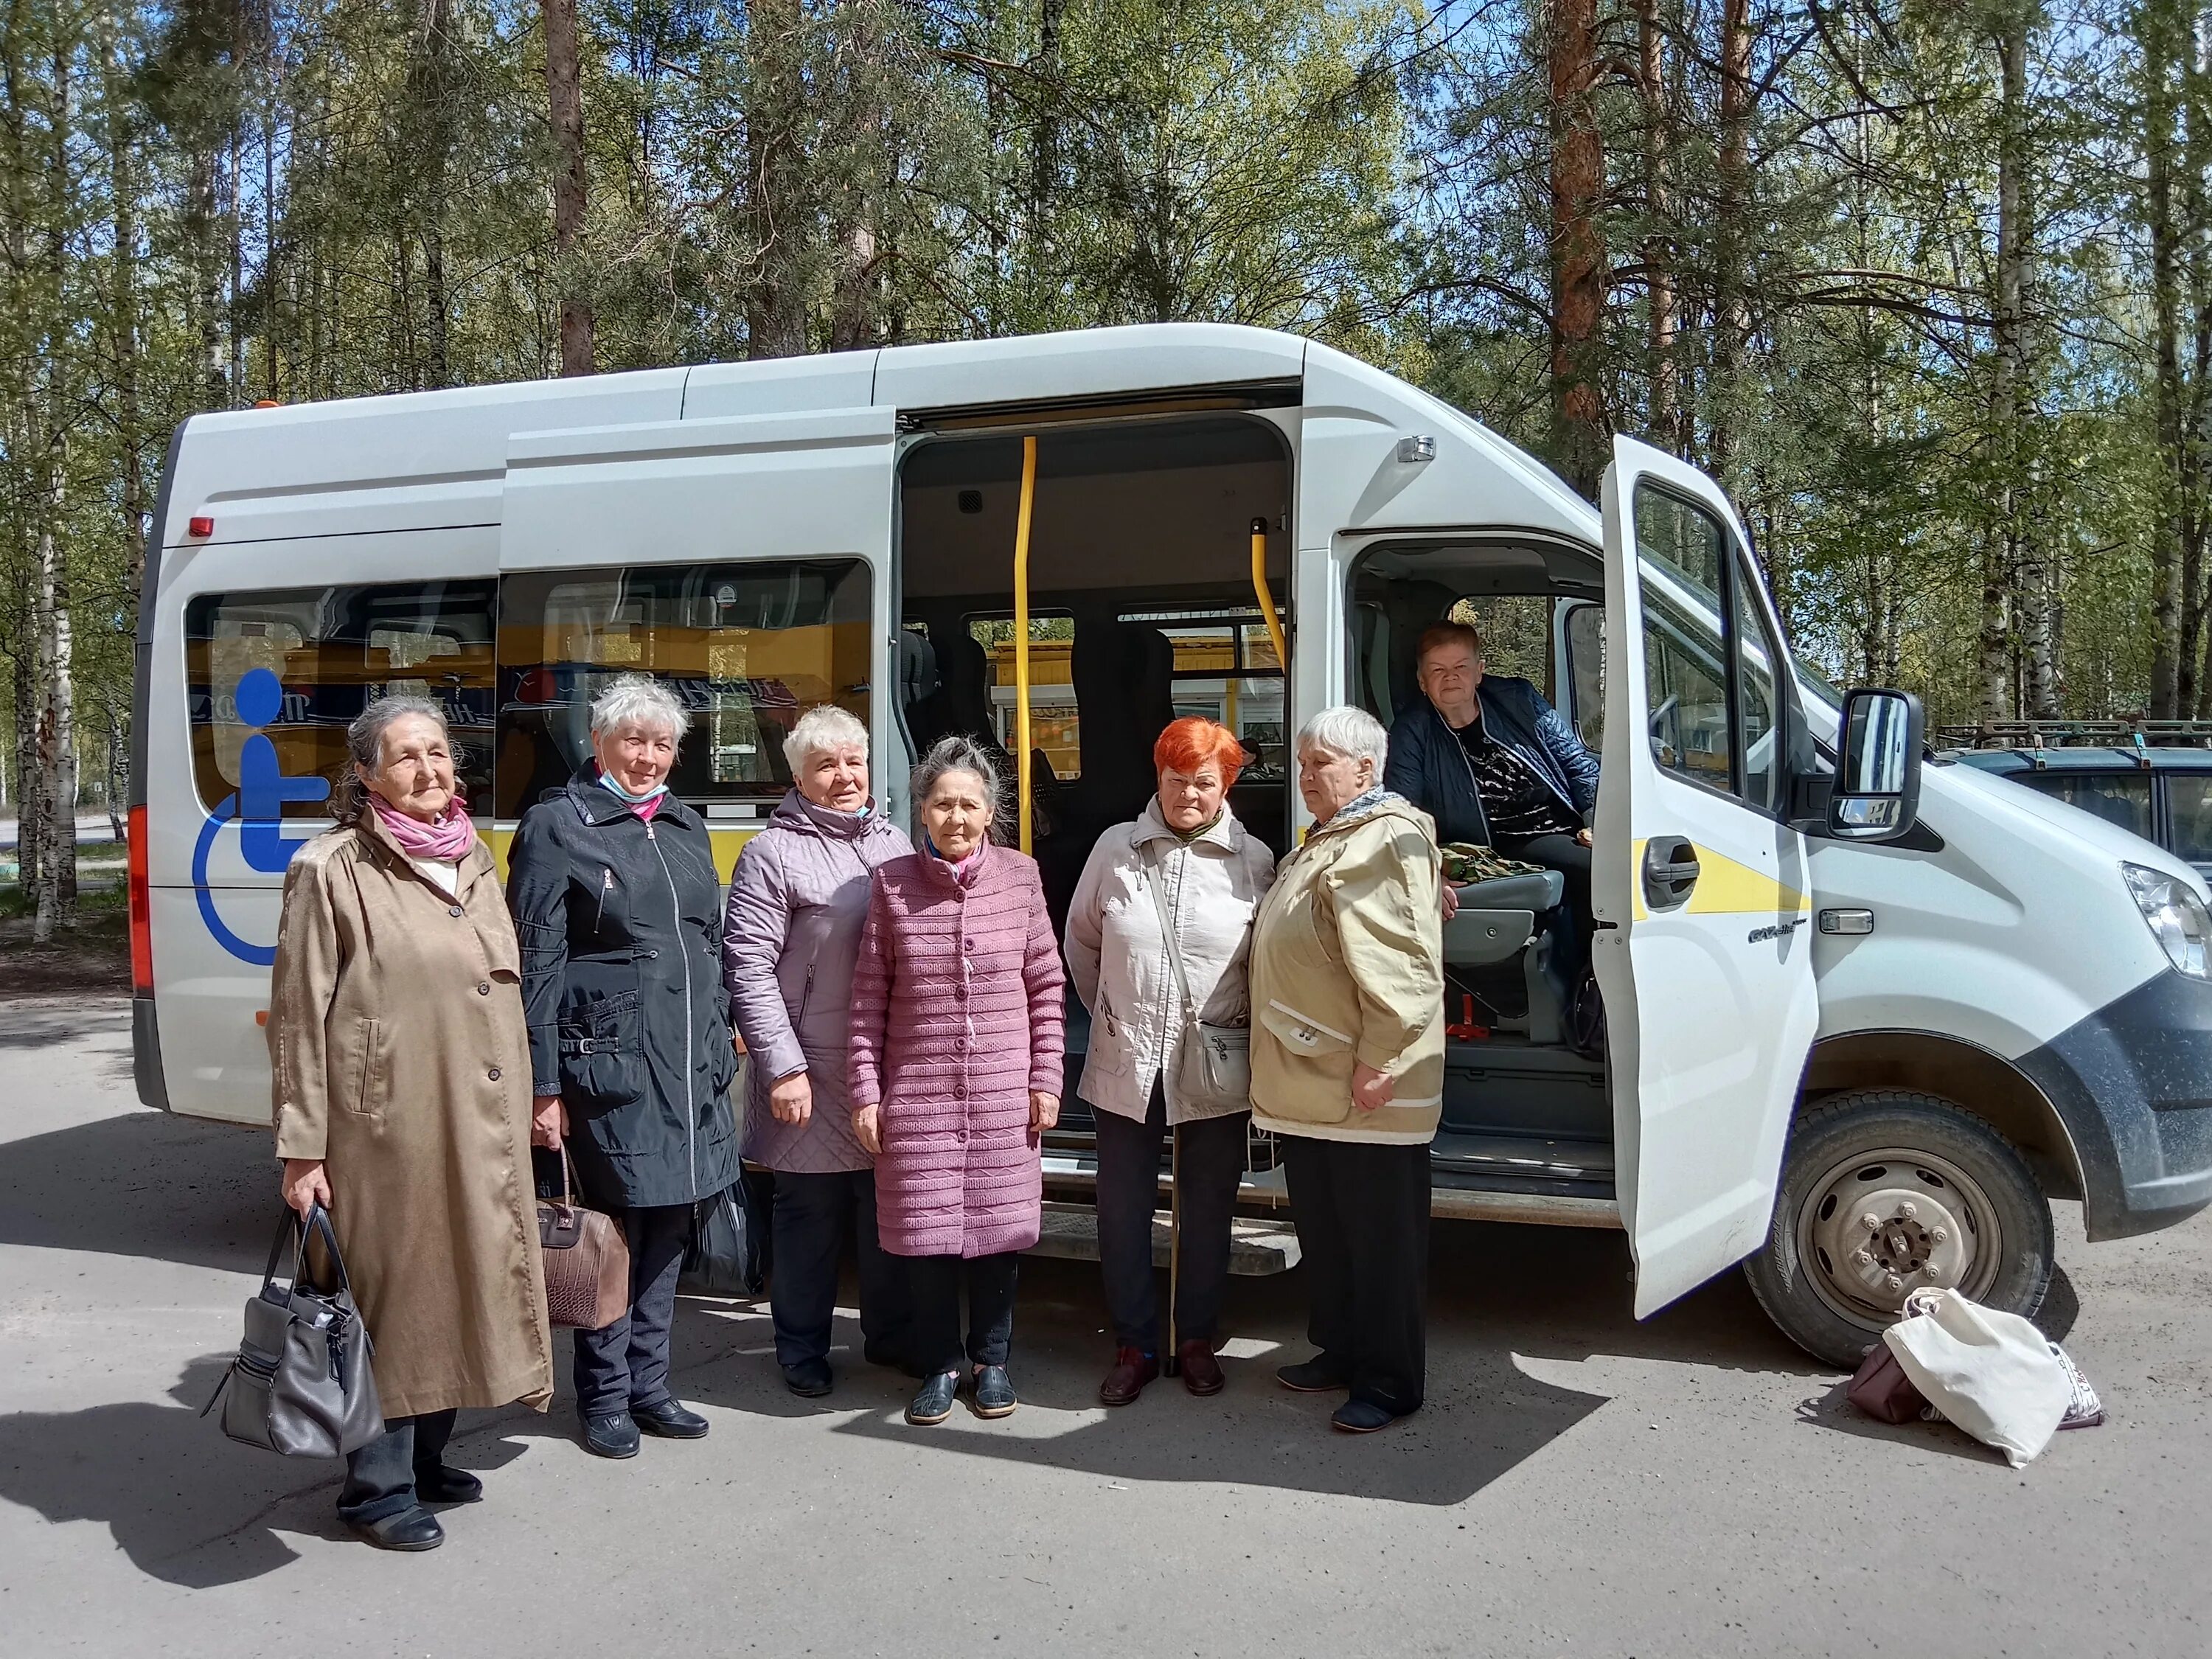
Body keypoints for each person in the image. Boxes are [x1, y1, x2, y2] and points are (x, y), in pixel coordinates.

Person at [268, 695, 552, 1552]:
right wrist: (302, 1147)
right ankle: (377, 1490)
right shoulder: (332, 868)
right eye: (405, 757)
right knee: (391, 1300)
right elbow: (297, 1014)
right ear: (365, 776)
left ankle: (427, 1461)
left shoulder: (473, 857)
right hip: (385, 1127)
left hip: (479, 1116)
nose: (430, 770)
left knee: (463, 1278)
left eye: (438, 752)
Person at [507, 674, 740, 1460]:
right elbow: (534, 964)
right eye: (633, 741)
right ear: (598, 744)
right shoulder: (556, 826)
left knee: (672, 1227)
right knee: (610, 1234)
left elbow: (706, 943)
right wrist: (543, 1087)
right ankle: (603, 1397)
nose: (647, 758)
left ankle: (651, 1385)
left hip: (687, 1063)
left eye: (663, 744)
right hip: (604, 1065)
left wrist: (726, 1030)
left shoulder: (684, 825)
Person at [847, 735, 1065, 1427]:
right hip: (918, 1097)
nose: (957, 818)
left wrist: (1046, 1077)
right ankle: (940, 1364)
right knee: (928, 1240)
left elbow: (1047, 987)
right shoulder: (893, 884)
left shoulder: (1022, 877)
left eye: (969, 804)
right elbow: (868, 999)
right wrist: (865, 1092)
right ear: (922, 812)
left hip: (1004, 1091)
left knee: (998, 1237)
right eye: (943, 804)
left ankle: (992, 1362)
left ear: (990, 812)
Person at [1064, 717, 1276, 1405]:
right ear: (1157, 778)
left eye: (1204, 783)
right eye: (1176, 780)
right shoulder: (1114, 849)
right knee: (1122, 1207)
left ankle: (1196, 1339)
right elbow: (1083, 943)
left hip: (1213, 1061)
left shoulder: (1256, 860)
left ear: (1227, 786)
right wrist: (1118, 1018)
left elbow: (1263, 965)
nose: (1189, 794)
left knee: (1208, 1206)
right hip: (1127, 1054)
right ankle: (1134, 1342)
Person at [1248, 706, 1444, 1434]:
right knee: (1331, 1233)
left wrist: (1379, 1061)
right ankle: (1343, 1351)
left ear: (1367, 769)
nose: (1305, 776)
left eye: (1320, 762)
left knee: (1379, 1240)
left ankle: (1390, 1382)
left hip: (1361, 1083)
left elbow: (1401, 971)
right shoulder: (1337, 839)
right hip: (1315, 1079)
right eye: (1301, 763)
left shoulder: (1380, 840)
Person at [721, 704, 917, 1397]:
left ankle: (889, 1337)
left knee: (885, 1206)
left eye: (853, 761)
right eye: (825, 765)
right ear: (798, 775)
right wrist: (783, 1066)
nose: (844, 776)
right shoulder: (771, 853)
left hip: (881, 1064)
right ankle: (800, 1347)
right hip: (810, 1066)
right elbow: (746, 964)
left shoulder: (895, 842)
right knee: (809, 1215)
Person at [1382, 622, 1600, 975]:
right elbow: (1403, 810)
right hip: (1499, 840)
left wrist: (1597, 821)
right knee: (1599, 871)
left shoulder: (1519, 700)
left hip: (1564, 822)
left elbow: (1577, 763)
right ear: (1422, 682)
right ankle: (1588, 988)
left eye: (1461, 667)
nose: (1450, 677)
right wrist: (1423, 871)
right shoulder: (1412, 730)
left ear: (1479, 672)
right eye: (1437, 670)